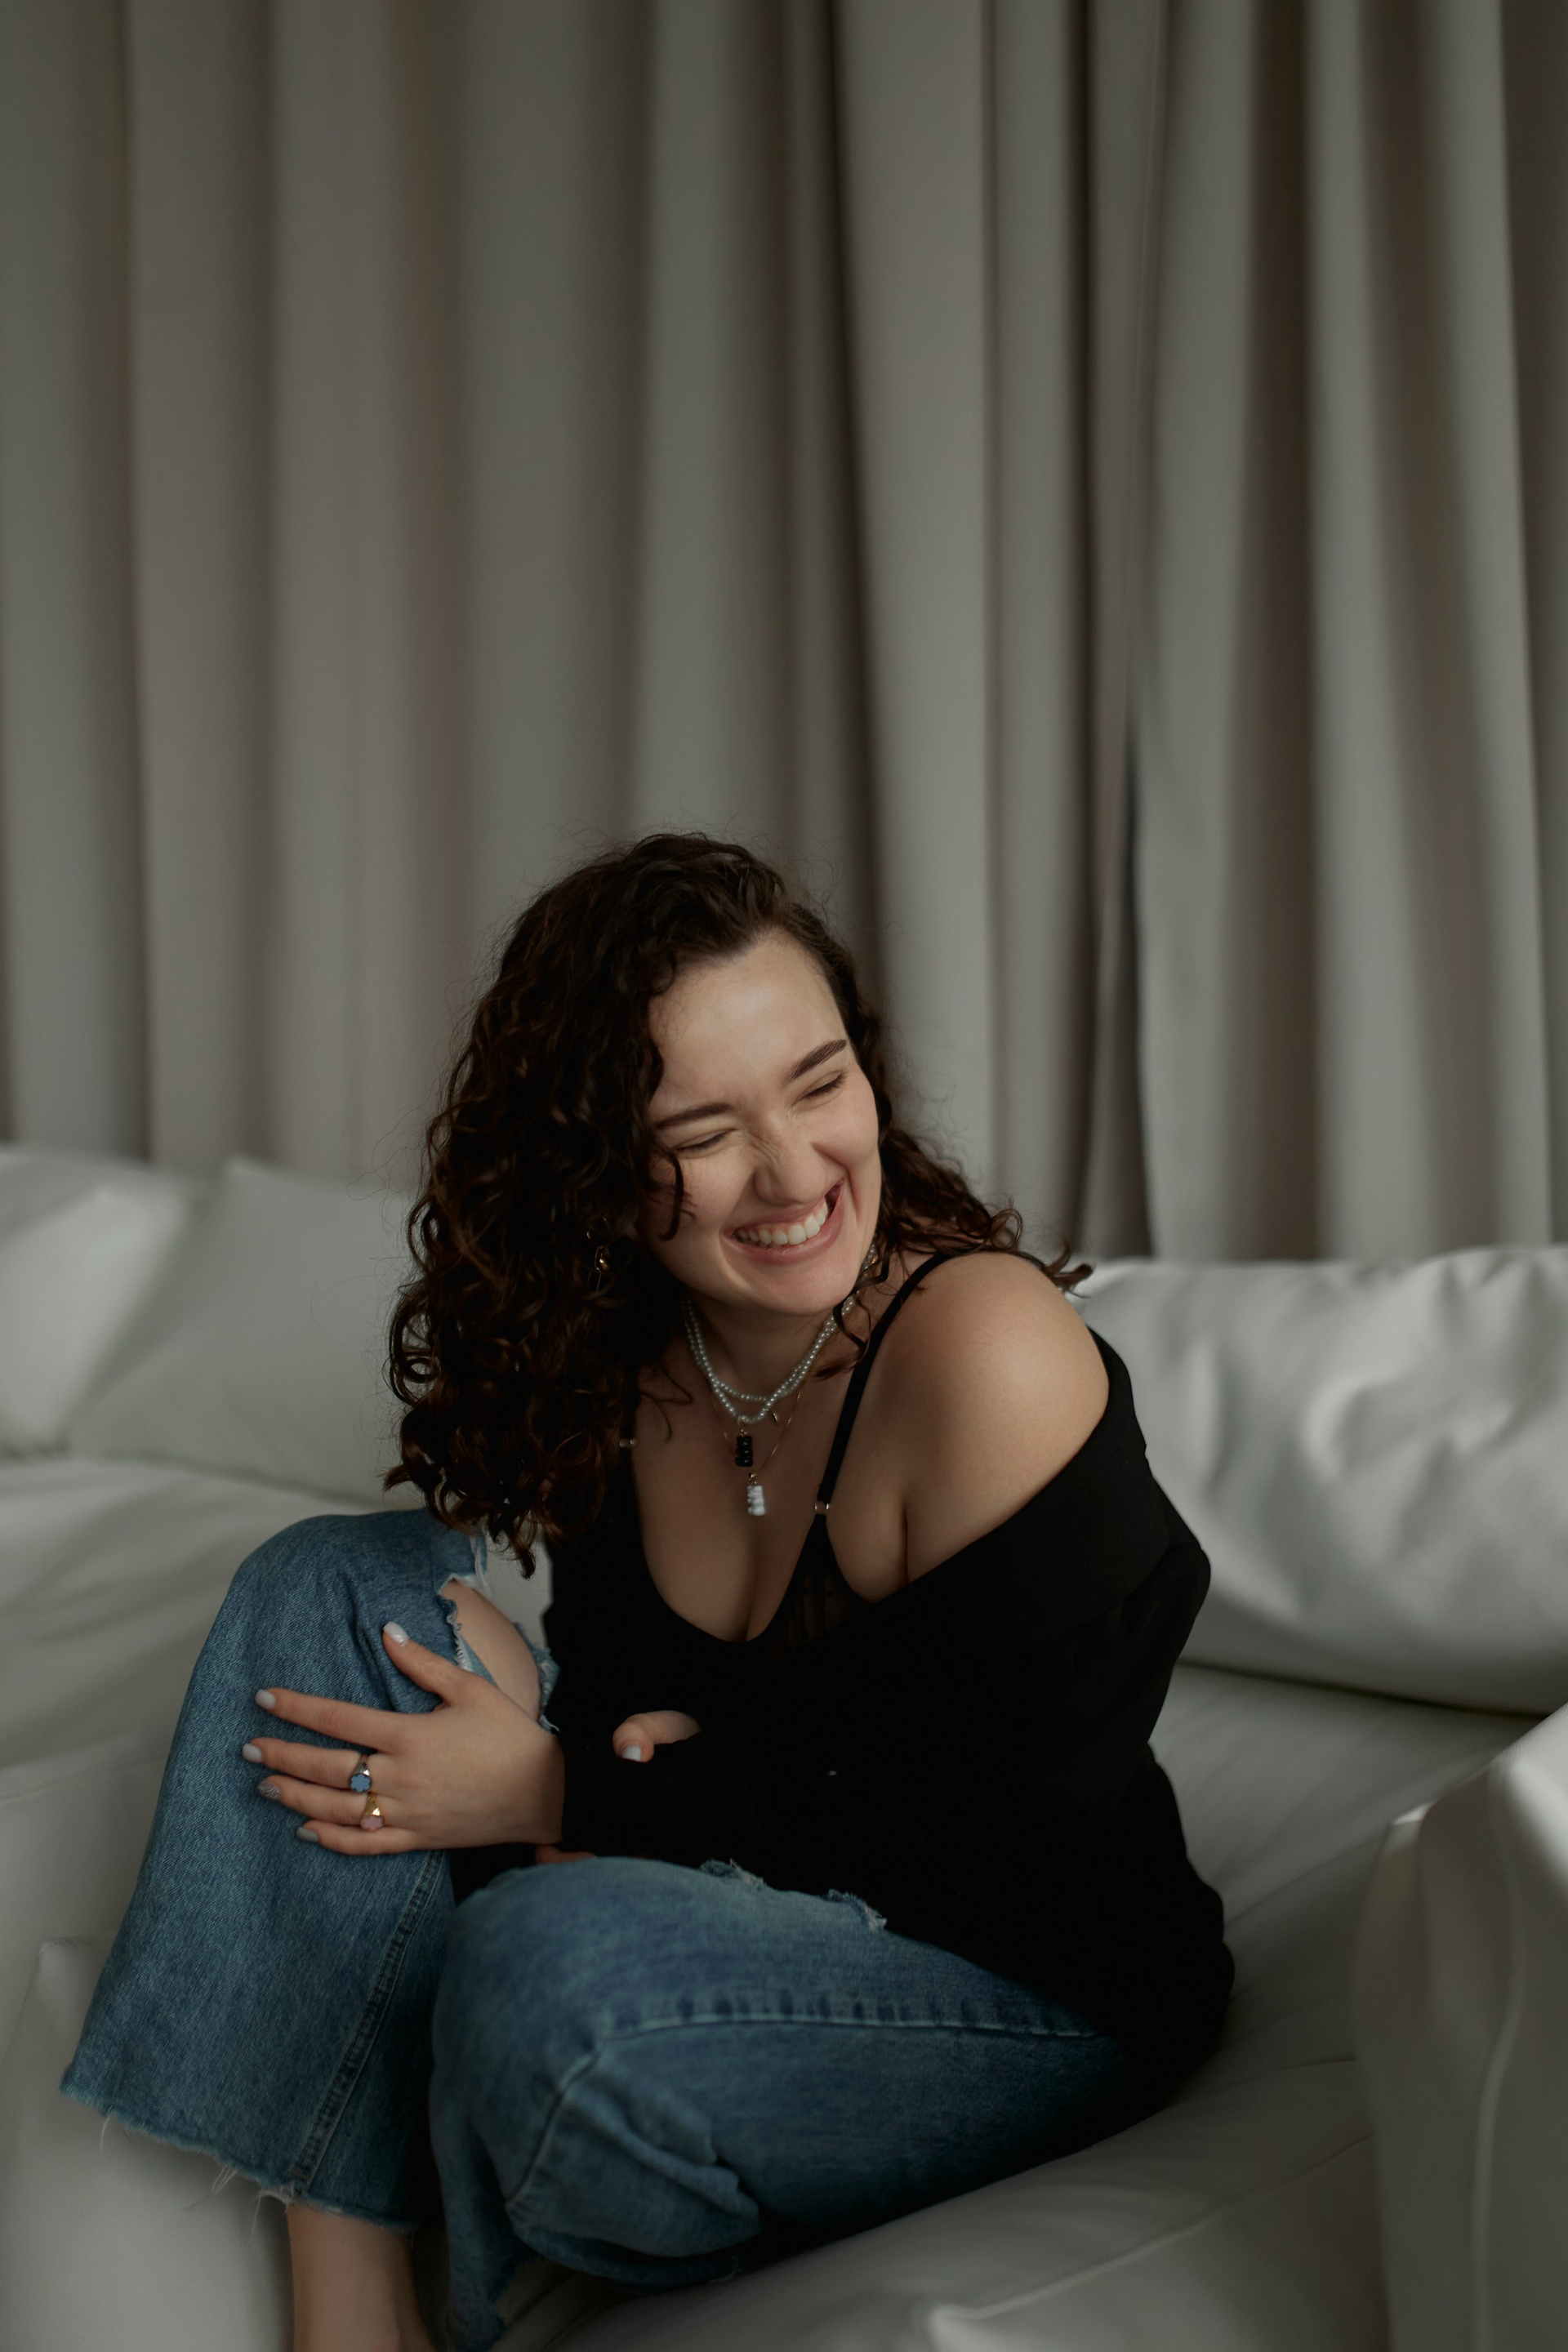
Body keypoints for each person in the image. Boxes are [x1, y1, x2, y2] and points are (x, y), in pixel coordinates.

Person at [64, 834, 1232, 2352]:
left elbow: (1013, 1833)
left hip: (1022, 1983)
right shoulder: (629, 1362)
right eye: (704, 1132)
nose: (795, 1171)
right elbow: (652, 1713)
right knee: (331, 1589)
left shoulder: (982, 1353)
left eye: (820, 1083)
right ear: (599, 1175)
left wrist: (562, 1788)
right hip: (725, 1893)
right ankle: (349, 2297)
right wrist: (596, 1767)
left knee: (546, 1974)